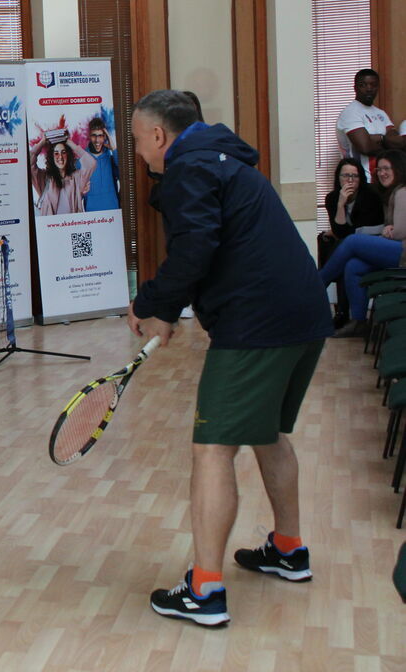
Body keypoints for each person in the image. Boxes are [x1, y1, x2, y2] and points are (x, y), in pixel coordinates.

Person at [127, 90, 331, 627]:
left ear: (158, 135)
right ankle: (288, 549)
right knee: (267, 432)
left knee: (213, 449)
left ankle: (205, 589)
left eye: (137, 140)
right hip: (305, 315)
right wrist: (166, 308)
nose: (139, 153)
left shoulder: (190, 169)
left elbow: (195, 248)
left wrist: (153, 305)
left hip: (258, 323)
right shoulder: (222, 159)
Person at [317, 149, 406, 337]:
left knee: (353, 241)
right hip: (397, 250)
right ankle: (359, 322)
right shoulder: (392, 192)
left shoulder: (402, 192)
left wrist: (388, 230)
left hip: (403, 252)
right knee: (353, 266)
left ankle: (317, 284)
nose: (382, 173)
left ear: (398, 169)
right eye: (379, 169)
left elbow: (400, 232)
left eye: (386, 168)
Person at [319, 158, 384, 328]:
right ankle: (350, 317)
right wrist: (341, 205)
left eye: (354, 176)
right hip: (351, 245)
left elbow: (356, 233)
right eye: (345, 175)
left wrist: (343, 231)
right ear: (338, 177)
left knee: (347, 244)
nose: (350, 180)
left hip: (372, 242)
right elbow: (341, 232)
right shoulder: (333, 198)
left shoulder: (370, 196)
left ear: (361, 178)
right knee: (349, 263)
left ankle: (318, 284)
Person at [336, 68, 401, 179]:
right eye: (363, 85)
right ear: (355, 88)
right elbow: (365, 147)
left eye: (373, 85)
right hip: (362, 179)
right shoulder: (350, 113)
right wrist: (386, 141)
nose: (369, 88)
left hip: (383, 178)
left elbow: (397, 143)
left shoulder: (381, 114)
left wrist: (379, 139)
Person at [28, 130, 96, 216]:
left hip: (73, 226)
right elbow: (28, 163)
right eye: (56, 153)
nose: (60, 157)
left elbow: (91, 163)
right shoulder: (44, 178)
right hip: (51, 227)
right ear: (52, 157)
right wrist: (42, 142)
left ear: (68, 155)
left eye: (63, 152)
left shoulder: (77, 177)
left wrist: (69, 142)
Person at [82, 117, 120, 212]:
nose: (97, 140)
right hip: (92, 215)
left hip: (113, 212)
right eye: (94, 135)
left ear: (105, 137)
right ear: (89, 136)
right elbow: (75, 194)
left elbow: (125, 176)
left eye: (100, 136)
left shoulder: (111, 158)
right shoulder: (81, 160)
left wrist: (114, 148)